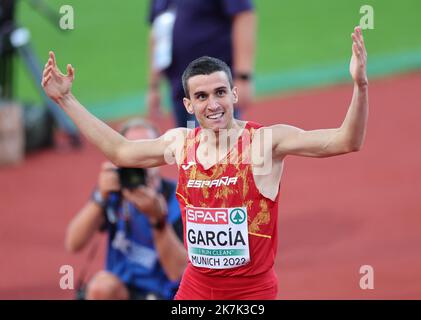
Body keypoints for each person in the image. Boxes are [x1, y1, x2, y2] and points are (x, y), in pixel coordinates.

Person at [42, 26, 368, 299]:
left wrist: (360, 86)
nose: (213, 104)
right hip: (196, 288)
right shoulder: (181, 143)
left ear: (234, 95)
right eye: (201, 96)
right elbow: (121, 152)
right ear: (187, 103)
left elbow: (345, 141)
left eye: (220, 92)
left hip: (249, 293)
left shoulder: (266, 143)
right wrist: (66, 99)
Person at [64, 118, 186, 300]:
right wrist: (99, 198)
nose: (140, 163)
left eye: (146, 152)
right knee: (101, 288)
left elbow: (179, 273)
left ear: (159, 157)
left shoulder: (179, 198)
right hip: (120, 289)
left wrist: (158, 221)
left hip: (163, 292)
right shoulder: (115, 192)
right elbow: (73, 243)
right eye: (134, 154)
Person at [147, 0, 256, 127]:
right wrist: (154, 85)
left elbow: (243, 15)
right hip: (178, 86)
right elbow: (158, 33)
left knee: (219, 140)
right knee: (190, 141)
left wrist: (243, 76)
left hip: (213, 85)